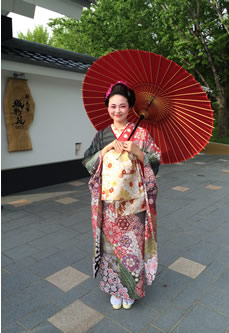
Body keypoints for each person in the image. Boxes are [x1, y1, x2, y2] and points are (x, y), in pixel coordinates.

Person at [82, 81, 161, 310]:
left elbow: (156, 162)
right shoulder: (102, 136)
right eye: (113, 106)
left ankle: (131, 291)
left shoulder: (142, 134)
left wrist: (139, 153)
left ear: (130, 108)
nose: (117, 111)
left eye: (123, 106)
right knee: (110, 249)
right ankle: (114, 289)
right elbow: (87, 162)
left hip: (134, 203)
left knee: (132, 248)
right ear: (108, 107)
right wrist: (105, 150)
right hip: (109, 203)